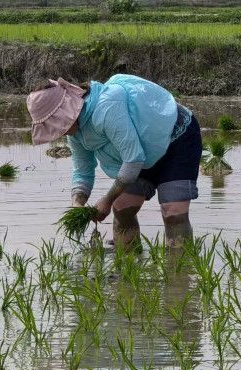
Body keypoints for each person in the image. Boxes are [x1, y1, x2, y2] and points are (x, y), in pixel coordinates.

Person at [26, 75, 202, 248]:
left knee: (173, 213)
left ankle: (180, 272)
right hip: (137, 153)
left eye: (57, 124)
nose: (60, 132)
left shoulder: (106, 106)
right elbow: (83, 171)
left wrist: (107, 200)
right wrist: (77, 202)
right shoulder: (75, 132)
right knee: (122, 208)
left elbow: (133, 160)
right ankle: (127, 266)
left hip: (176, 140)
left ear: (68, 110)